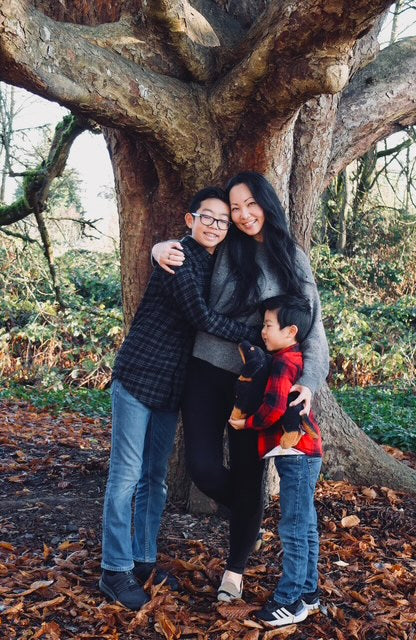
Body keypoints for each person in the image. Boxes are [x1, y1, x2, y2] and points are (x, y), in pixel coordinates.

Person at [152, 172, 329, 603]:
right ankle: (252, 513)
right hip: (206, 368)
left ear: (267, 203)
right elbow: (191, 243)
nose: (243, 214)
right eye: (235, 208)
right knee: (203, 468)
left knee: (250, 473)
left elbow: (312, 326)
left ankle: (235, 570)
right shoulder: (227, 244)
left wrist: (309, 382)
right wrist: (159, 248)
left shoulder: (291, 256)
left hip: (259, 381)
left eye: (251, 204)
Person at [100, 187, 261, 610]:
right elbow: (202, 318)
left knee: (154, 478)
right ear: (190, 220)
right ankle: (114, 569)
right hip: (138, 377)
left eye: (223, 221)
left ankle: (142, 561)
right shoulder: (179, 257)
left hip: (171, 386)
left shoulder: (214, 263)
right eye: (208, 217)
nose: (215, 225)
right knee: (126, 476)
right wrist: (253, 336)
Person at [229, 295, 323, 627]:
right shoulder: (292, 359)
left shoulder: (284, 363)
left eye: (268, 325)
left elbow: (273, 408)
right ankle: (309, 592)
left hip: (296, 454)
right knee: (305, 524)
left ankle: (290, 600)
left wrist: (246, 423)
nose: (263, 331)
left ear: (290, 331)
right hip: (306, 454)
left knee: (294, 527)